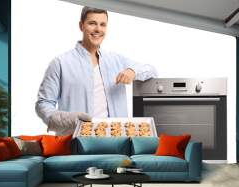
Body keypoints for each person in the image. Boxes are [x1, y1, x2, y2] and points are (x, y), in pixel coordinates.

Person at [36, 6, 158, 135]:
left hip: (116, 141)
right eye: (92, 23)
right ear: (81, 25)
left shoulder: (116, 60)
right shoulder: (60, 63)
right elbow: (43, 105)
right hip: (74, 144)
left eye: (102, 25)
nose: (98, 29)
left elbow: (151, 70)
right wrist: (68, 119)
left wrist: (132, 71)